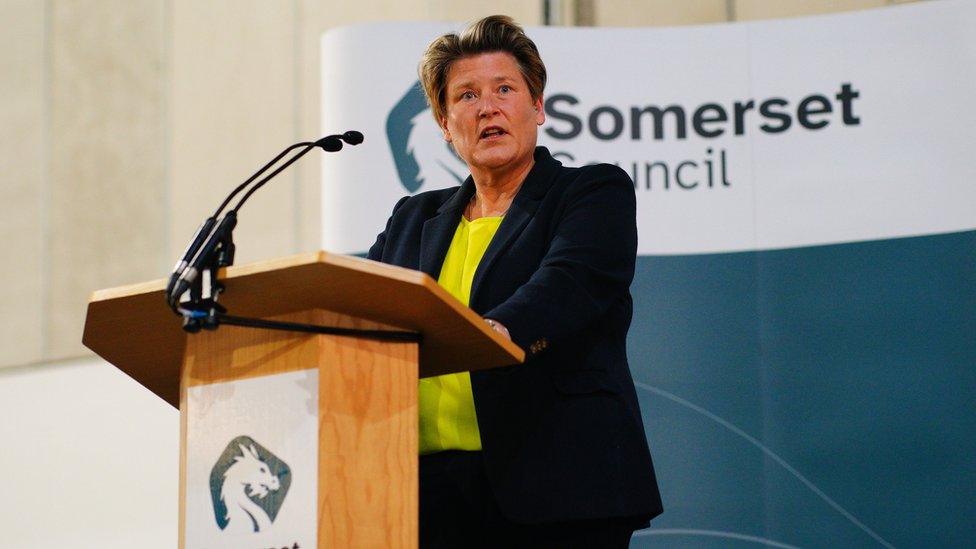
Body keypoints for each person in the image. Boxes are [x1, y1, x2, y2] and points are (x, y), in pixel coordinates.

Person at [367, 15, 662, 547]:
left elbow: (570, 283)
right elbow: (367, 309)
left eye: (505, 89)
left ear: (538, 107)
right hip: (426, 494)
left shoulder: (590, 192)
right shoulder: (413, 218)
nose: (488, 107)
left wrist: (495, 331)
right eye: (466, 95)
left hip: (555, 486)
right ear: (443, 121)